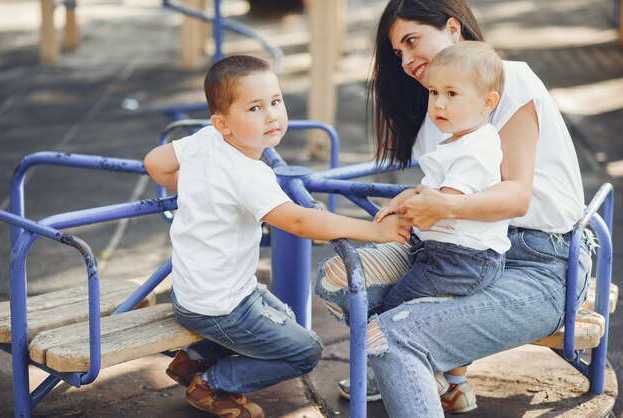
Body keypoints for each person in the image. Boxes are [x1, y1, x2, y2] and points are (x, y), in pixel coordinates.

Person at [313, 0, 594, 416]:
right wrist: (409, 201)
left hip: (542, 259)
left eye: (411, 42)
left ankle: (416, 364)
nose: (406, 61)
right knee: (337, 280)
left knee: (388, 338)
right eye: (398, 53)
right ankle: (441, 377)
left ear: (452, 28)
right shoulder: (438, 109)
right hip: (455, 249)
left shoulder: (508, 78)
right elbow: (450, 187)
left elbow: (515, 197)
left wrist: (442, 205)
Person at [144, 54, 411, 418]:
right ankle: (213, 383)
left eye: (275, 101)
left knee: (281, 313)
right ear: (222, 123)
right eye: (254, 108)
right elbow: (299, 222)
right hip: (220, 306)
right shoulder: (249, 175)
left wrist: (196, 188)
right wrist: (373, 231)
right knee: (304, 351)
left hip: (191, 293)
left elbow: (155, 162)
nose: (271, 115)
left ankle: (192, 359)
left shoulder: (205, 140)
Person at [376, 41, 509, 313]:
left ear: (488, 102)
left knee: (391, 309)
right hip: (449, 253)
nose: (439, 103)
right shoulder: (463, 140)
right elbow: (432, 194)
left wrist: (402, 212)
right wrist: (402, 200)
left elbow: (441, 204)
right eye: (434, 92)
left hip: (461, 260)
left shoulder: (474, 150)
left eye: (451, 93)